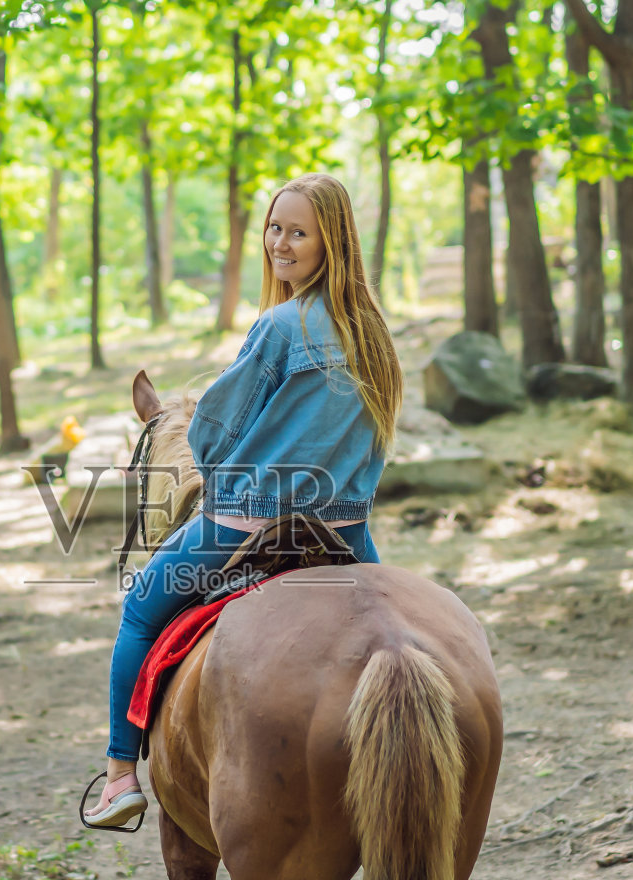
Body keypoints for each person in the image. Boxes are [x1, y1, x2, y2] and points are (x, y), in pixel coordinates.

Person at [83, 173, 403, 827]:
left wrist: (221, 450)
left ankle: (119, 777)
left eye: (298, 233)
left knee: (141, 608)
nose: (280, 243)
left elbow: (213, 430)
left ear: (331, 242)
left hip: (248, 524)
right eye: (274, 227)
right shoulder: (374, 334)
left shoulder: (280, 326)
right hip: (347, 533)